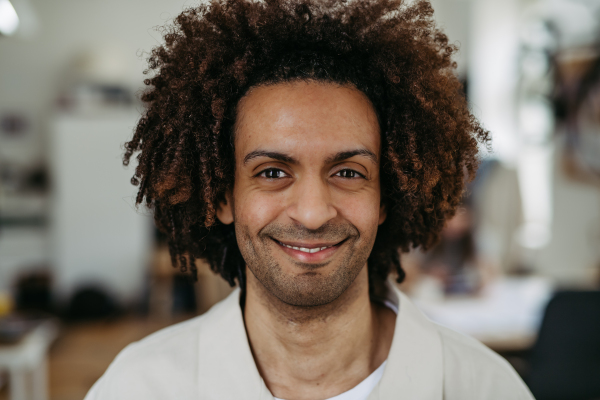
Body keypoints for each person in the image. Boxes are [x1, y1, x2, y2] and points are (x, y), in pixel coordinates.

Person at [84, 0, 534, 398]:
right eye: (273, 172)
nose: (314, 212)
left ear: (384, 200)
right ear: (224, 197)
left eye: (348, 173)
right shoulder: (138, 387)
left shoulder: (485, 387)